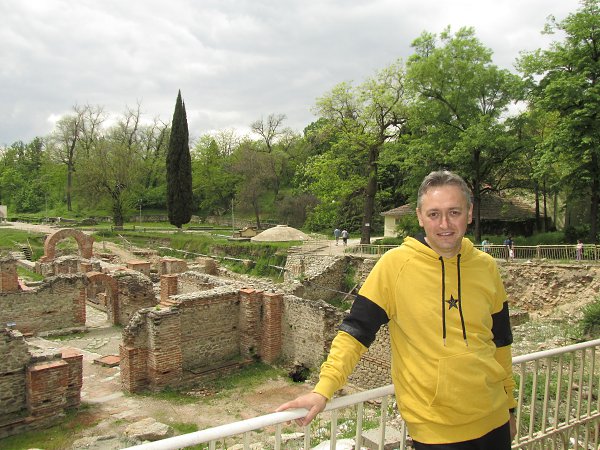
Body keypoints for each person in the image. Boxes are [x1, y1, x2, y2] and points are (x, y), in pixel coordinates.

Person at [277, 170, 517, 449]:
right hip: (435, 431)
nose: (445, 224)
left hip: (495, 421)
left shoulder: (486, 267)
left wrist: (510, 407)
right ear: (419, 216)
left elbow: (501, 343)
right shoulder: (394, 266)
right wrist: (324, 389)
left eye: (454, 212)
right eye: (434, 214)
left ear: (470, 213)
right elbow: (355, 332)